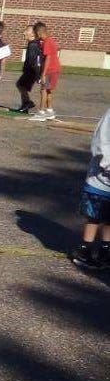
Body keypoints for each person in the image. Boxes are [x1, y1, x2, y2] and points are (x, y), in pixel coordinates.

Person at [70, 105, 110, 271]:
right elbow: (101, 141)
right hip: (101, 176)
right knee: (94, 215)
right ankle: (84, 249)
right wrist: (107, 164)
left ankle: (106, 249)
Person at [30, 22, 61, 122]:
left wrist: (43, 73)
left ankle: (41, 112)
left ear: (39, 32)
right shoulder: (51, 41)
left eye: (35, 33)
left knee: (43, 90)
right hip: (56, 69)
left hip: (50, 70)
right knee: (49, 90)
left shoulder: (47, 42)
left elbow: (48, 57)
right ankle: (50, 110)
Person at [12, 25, 42, 114]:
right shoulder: (33, 44)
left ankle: (27, 103)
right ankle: (26, 104)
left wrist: (37, 75)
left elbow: (34, 61)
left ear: (33, 34)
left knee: (20, 85)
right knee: (21, 85)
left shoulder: (33, 45)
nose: (24, 33)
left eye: (26, 31)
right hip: (30, 70)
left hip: (31, 71)